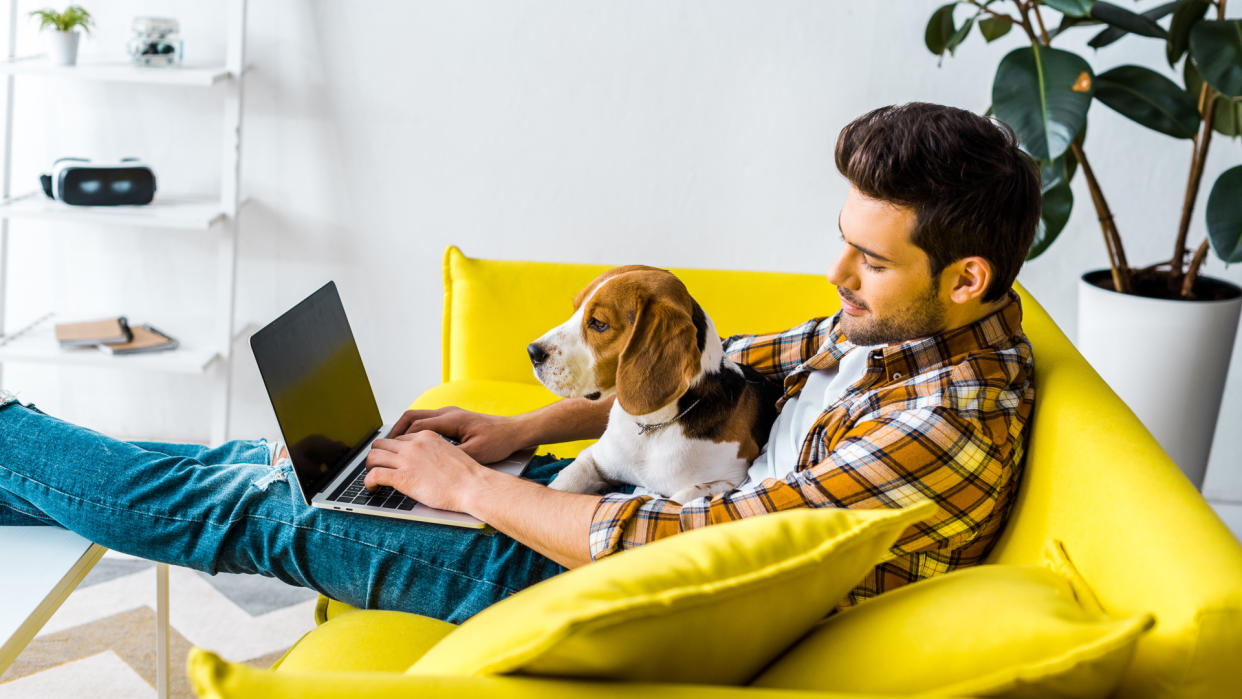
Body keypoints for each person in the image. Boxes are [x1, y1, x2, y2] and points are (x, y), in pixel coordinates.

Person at [0, 102, 1038, 623]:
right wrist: (517, 435)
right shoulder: (888, 343)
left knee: (256, 513)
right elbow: (706, 378)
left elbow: (700, 547)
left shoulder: (943, 422)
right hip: (595, 525)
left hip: (611, 588)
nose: (836, 275)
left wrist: (468, 489)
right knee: (265, 460)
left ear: (963, 277)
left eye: (868, 258)